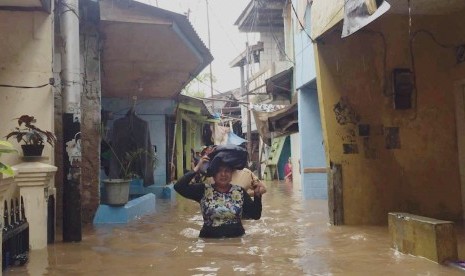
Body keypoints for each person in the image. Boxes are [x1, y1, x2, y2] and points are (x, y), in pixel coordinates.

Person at [174, 155, 262, 238]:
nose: (223, 174)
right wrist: (197, 168)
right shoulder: (203, 190)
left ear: (231, 174)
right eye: (219, 171)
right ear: (213, 175)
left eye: (227, 171)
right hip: (208, 241)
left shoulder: (239, 192)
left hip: (236, 242)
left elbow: (255, 215)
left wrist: (257, 195)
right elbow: (179, 187)